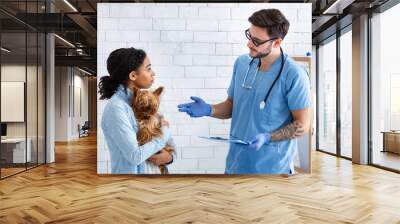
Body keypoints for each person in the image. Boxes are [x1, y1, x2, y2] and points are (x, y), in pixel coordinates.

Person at [178, 9, 311, 174]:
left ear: (276, 42)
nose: (249, 44)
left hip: (273, 170)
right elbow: (232, 105)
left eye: (256, 41)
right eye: (249, 36)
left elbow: (303, 125)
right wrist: (209, 109)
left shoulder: (294, 74)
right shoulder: (242, 64)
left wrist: (269, 137)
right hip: (236, 165)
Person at [99, 48, 174, 174]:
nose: (153, 73)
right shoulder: (116, 109)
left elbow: (171, 148)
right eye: (148, 68)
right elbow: (135, 156)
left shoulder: (150, 101)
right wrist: (164, 132)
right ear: (133, 75)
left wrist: (169, 158)